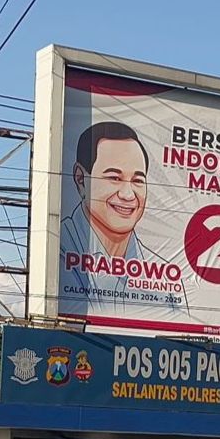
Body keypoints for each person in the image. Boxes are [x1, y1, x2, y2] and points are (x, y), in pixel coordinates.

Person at [58, 121, 182, 313]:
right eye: (114, 178)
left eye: (138, 181)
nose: (128, 194)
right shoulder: (58, 250)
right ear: (81, 179)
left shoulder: (166, 276)